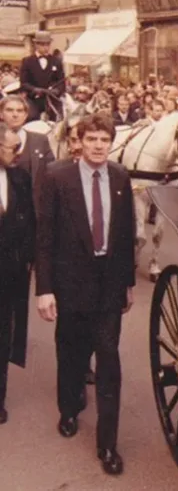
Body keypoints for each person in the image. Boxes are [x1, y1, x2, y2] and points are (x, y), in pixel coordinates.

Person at [35, 113, 135, 476]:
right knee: (72, 353)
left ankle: (108, 444)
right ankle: (68, 408)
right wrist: (44, 289)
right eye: (91, 139)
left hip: (108, 285)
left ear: (111, 143)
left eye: (104, 140)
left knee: (109, 361)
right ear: (79, 141)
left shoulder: (121, 177)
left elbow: (125, 235)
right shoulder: (57, 177)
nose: (98, 146)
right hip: (69, 284)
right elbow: (44, 237)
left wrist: (128, 283)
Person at [0, 122, 36, 425]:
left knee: (2, 334)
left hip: (8, 272)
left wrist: (27, 260)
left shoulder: (21, 178)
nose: (19, 154)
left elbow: (30, 224)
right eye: (13, 148)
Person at [0, 95, 54, 193]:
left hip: (33, 203)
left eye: (20, 111)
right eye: (9, 110)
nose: (15, 114)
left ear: (26, 115)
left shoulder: (40, 140)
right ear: (1, 114)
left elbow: (50, 172)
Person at [19, 31, 65, 121]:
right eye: (42, 45)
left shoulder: (56, 61)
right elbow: (23, 83)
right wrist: (34, 89)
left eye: (47, 44)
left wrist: (57, 90)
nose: (45, 47)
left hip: (51, 100)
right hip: (33, 100)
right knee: (32, 118)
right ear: (36, 44)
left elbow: (62, 81)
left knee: (56, 122)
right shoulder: (27, 61)